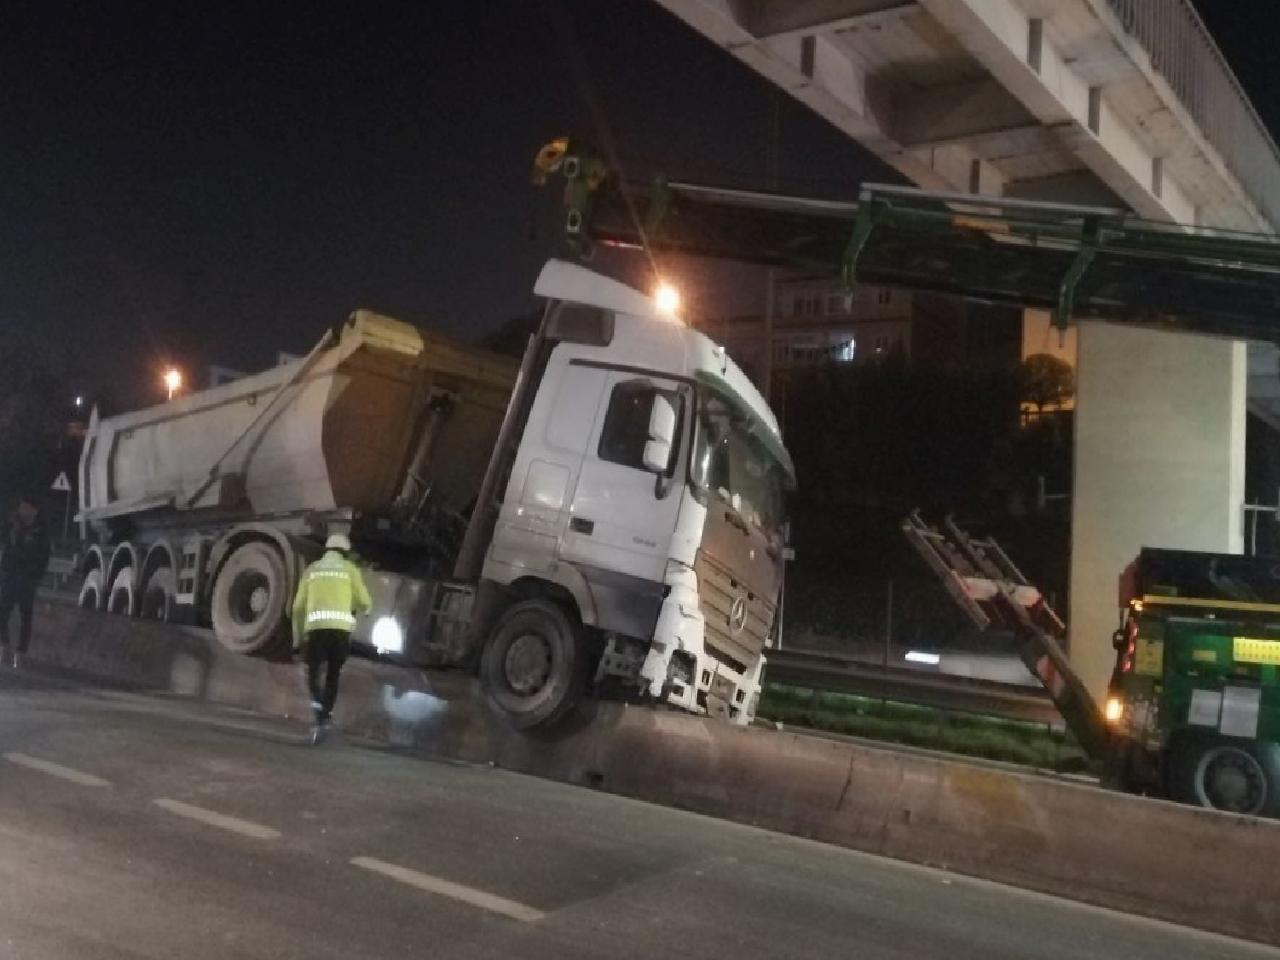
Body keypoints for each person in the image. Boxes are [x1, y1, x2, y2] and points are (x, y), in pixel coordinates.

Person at [290, 532, 371, 744]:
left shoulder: (312, 570)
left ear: (326, 550)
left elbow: (297, 608)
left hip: (316, 631)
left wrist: (297, 637)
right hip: (340, 633)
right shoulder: (350, 570)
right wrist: (358, 608)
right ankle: (327, 716)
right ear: (344, 552)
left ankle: (319, 717)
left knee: (313, 675)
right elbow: (365, 602)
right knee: (333, 676)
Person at [0, 497, 51, 669]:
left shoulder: (40, 532)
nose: (22, 510)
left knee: (25, 618)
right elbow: (6, 550)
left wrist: (36, 577)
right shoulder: (13, 527)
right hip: (9, 577)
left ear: (34, 511)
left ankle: (20, 654)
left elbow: (44, 557)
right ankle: (4, 646)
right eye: (21, 507)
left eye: (26, 507)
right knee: (2, 613)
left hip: (27, 580)